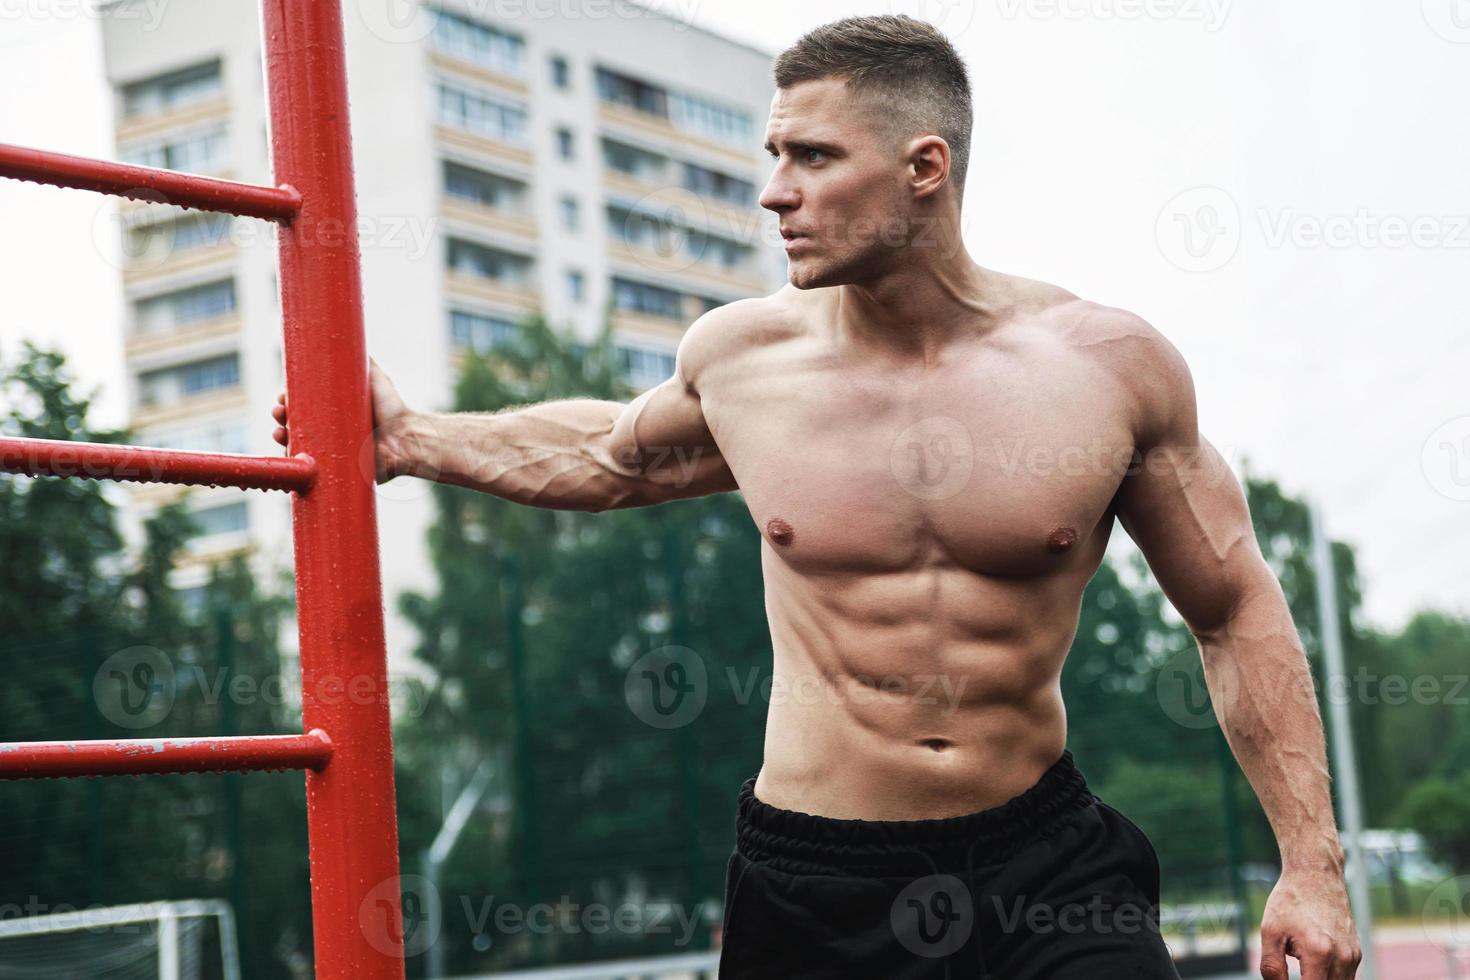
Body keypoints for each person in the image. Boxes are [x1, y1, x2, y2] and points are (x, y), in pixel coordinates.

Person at [272, 13, 1360, 979]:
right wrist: (413, 438)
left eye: (813, 157)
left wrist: (1312, 863)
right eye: (772, 153)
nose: (773, 189)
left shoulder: (1106, 368)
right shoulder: (745, 362)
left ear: (924, 166)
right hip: (818, 880)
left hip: (1046, 862)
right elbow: (613, 454)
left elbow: (1231, 607)